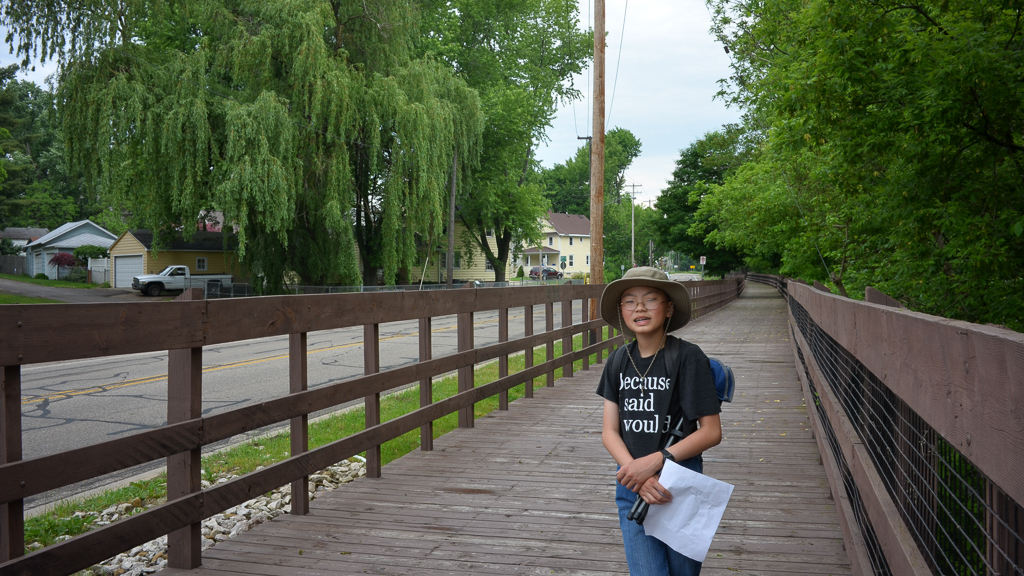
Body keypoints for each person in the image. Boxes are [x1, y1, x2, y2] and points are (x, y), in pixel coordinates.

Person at [595, 266, 723, 575]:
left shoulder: (688, 357)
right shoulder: (617, 360)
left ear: (669, 308)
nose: (639, 307)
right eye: (629, 301)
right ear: (621, 311)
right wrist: (635, 472)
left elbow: (711, 432)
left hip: (678, 486)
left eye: (651, 299)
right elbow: (610, 431)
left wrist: (654, 462)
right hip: (631, 486)